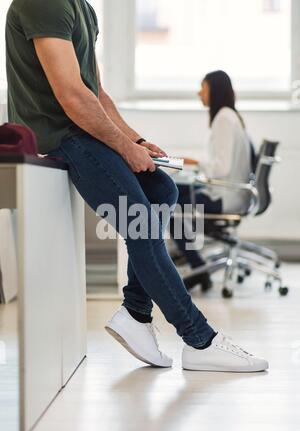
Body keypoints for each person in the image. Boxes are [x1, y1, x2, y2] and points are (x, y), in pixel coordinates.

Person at [5, 0, 268, 372]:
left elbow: (96, 92)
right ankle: (199, 339)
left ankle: (136, 313)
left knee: (163, 190)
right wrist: (125, 148)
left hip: (80, 131)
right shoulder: (44, 3)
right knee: (140, 220)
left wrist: (137, 141)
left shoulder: (81, 8)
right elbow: (71, 95)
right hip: (60, 136)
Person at [170, 70, 252, 291]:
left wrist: (194, 162)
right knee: (173, 192)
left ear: (214, 91)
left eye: (203, 87)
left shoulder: (224, 118)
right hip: (232, 192)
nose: (199, 93)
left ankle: (197, 267)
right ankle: (191, 261)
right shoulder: (229, 116)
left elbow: (222, 168)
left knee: (167, 201)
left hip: (227, 196)